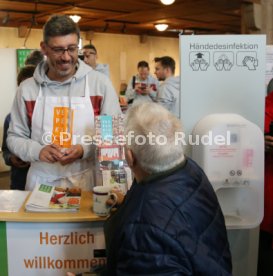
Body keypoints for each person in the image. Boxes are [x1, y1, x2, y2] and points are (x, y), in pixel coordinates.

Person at [7, 15, 121, 191]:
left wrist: (84, 149)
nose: (66, 57)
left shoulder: (99, 85)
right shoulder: (27, 89)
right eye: (58, 50)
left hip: (86, 180)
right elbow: (14, 137)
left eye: (72, 49)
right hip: (41, 181)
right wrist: (38, 151)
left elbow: (111, 136)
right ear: (44, 48)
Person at [1, 65, 36, 190]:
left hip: (44, 180)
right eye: (22, 87)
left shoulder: (49, 116)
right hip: (19, 180)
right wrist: (11, 158)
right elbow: (5, 150)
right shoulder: (10, 118)